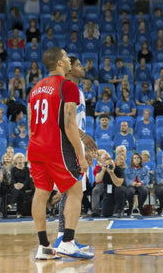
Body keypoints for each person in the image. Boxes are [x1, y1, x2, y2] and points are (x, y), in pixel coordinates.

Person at [27, 47, 92, 260]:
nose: (69, 60)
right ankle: (67, 242)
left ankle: (44, 246)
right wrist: (80, 156)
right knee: (75, 192)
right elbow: (69, 123)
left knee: (41, 193)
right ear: (59, 63)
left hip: (35, 146)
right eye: (65, 56)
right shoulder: (67, 86)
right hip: (57, 147)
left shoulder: (35, 88)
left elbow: (30, 124)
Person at [56, 57, 99, 247]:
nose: (83, 67)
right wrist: (82, 139)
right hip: (66, 144)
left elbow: (78, 120)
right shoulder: (64, 89)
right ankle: (62, 238)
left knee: (74, 192)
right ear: (69, 69)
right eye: (79, 65)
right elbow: (65, 121)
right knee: (70, 191)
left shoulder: (78, 91)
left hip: (76, 143)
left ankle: (65, 237)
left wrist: (84, 146)